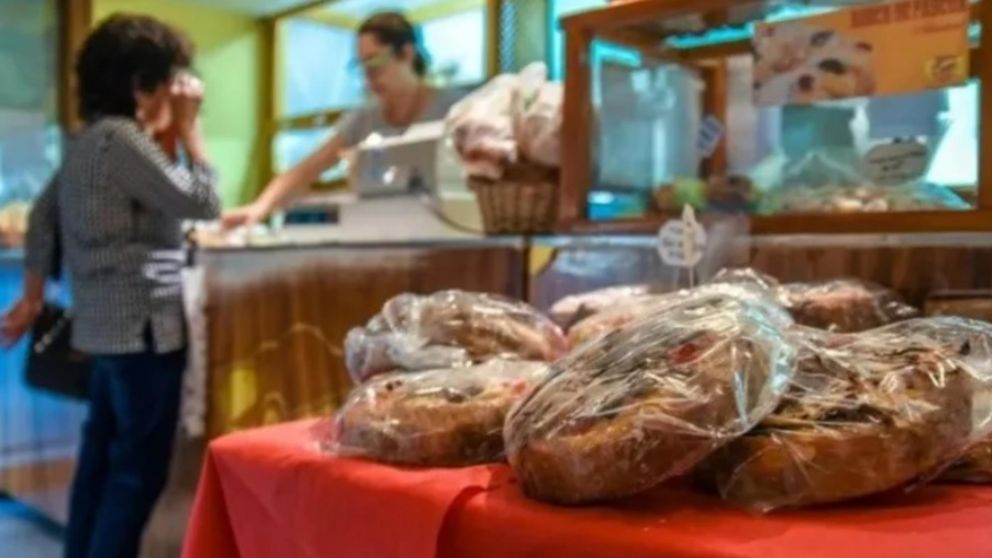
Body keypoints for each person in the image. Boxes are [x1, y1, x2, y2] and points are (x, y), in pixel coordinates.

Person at [0, 14, 220, 558]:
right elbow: (204, 203)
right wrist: (192, 130)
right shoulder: (124, 140)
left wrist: (31, 299)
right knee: (135, 473)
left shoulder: (85, 143)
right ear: (140, 83)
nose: (176, 90)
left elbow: (42, 220)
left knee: (99, 460)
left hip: (103, 330)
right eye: (168, 79)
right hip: (144, 329)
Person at [224, 11, 460, 228]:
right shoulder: (363, 119)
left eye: (375, 63)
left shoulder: (455, 109)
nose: (368, 78)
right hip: (383, 231)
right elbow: (304, 170)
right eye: (361, 67)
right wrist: (260, 207)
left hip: (447, 231)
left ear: (407, 53)